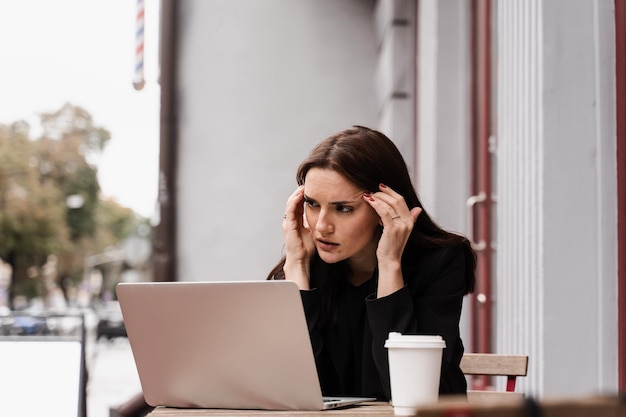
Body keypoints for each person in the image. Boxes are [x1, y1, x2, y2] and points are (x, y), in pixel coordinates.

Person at [267, 126, 476, 401]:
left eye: (343, 208)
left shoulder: (440, 262)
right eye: (312, 204)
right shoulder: (306, 266)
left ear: (384, 207)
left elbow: (411, 395)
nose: (321, 227)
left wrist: (390, 265)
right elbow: (290, 391)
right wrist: (296, 265)